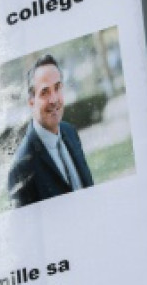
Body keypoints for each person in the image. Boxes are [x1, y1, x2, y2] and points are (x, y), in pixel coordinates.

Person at [8, 54, 95, 207]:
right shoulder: (21, 168)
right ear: (31, 101)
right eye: (45, 92)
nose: (54, 99)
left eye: (57, 87)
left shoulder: (70, 132)